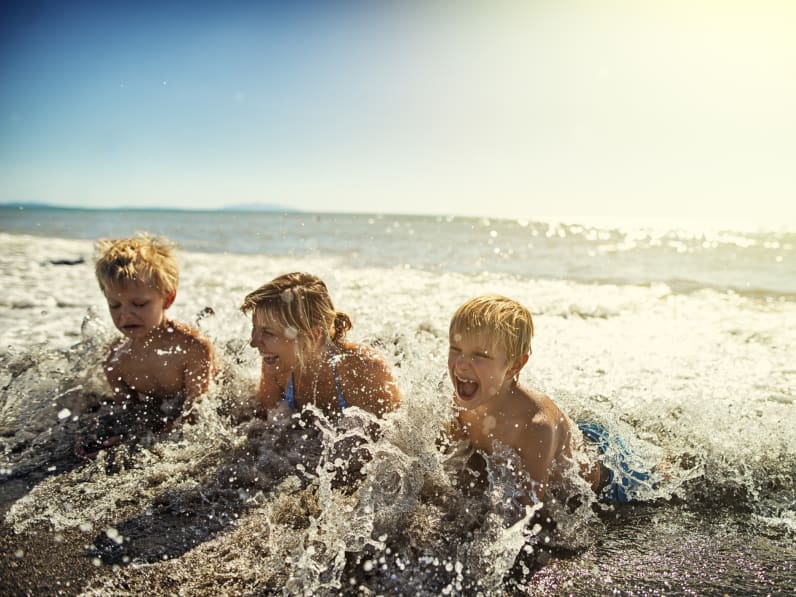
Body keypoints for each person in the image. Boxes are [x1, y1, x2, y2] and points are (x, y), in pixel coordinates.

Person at [446, 294, 651, 506]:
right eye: (456, 349)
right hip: (571, 434)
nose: (461, 364)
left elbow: (528, 506)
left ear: (514, 366)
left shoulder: (535, 427)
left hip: (612, 473)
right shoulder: (459, 401)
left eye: (480, 355)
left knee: (661, 479)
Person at [79, 234, 216, 457]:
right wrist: (117, 439)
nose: (125, 314)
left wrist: (154, 440)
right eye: (114, 305)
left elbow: (197, 413)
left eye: (139, 304)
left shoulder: (192, 347)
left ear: (168, 299)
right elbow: (129, 414)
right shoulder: (115, 359)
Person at [241, 272, 401, 418]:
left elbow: (396, 439)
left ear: (313, 335)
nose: (254, 342)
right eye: (254, 328)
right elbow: (263, 427)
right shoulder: (277, 364)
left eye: (268, 332)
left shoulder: (366, 370)